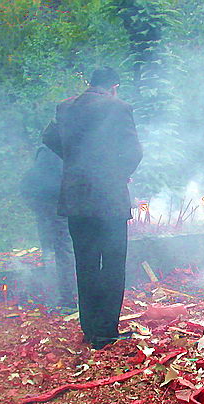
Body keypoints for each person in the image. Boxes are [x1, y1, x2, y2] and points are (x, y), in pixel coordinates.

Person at [43, 67, 143, 349]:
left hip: (76, 199)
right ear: (114, 86)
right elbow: (135, 151)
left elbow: (48, 137)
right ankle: (106, 331)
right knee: (111, 264)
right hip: (108, 200)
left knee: (85, 264)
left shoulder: (66, 107)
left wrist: (74, 163)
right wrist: (119, 173)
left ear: (90, 84)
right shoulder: (119, 108)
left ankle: (90, 329)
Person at [18, 145, 77, 309]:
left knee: (49, 249)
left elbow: (27, 186)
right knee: (63, 250)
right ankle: (67, 297)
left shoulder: (44, 154)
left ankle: (53, 292)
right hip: (58, 205)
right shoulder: (64, 152)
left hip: (43, 205)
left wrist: (36, 206)